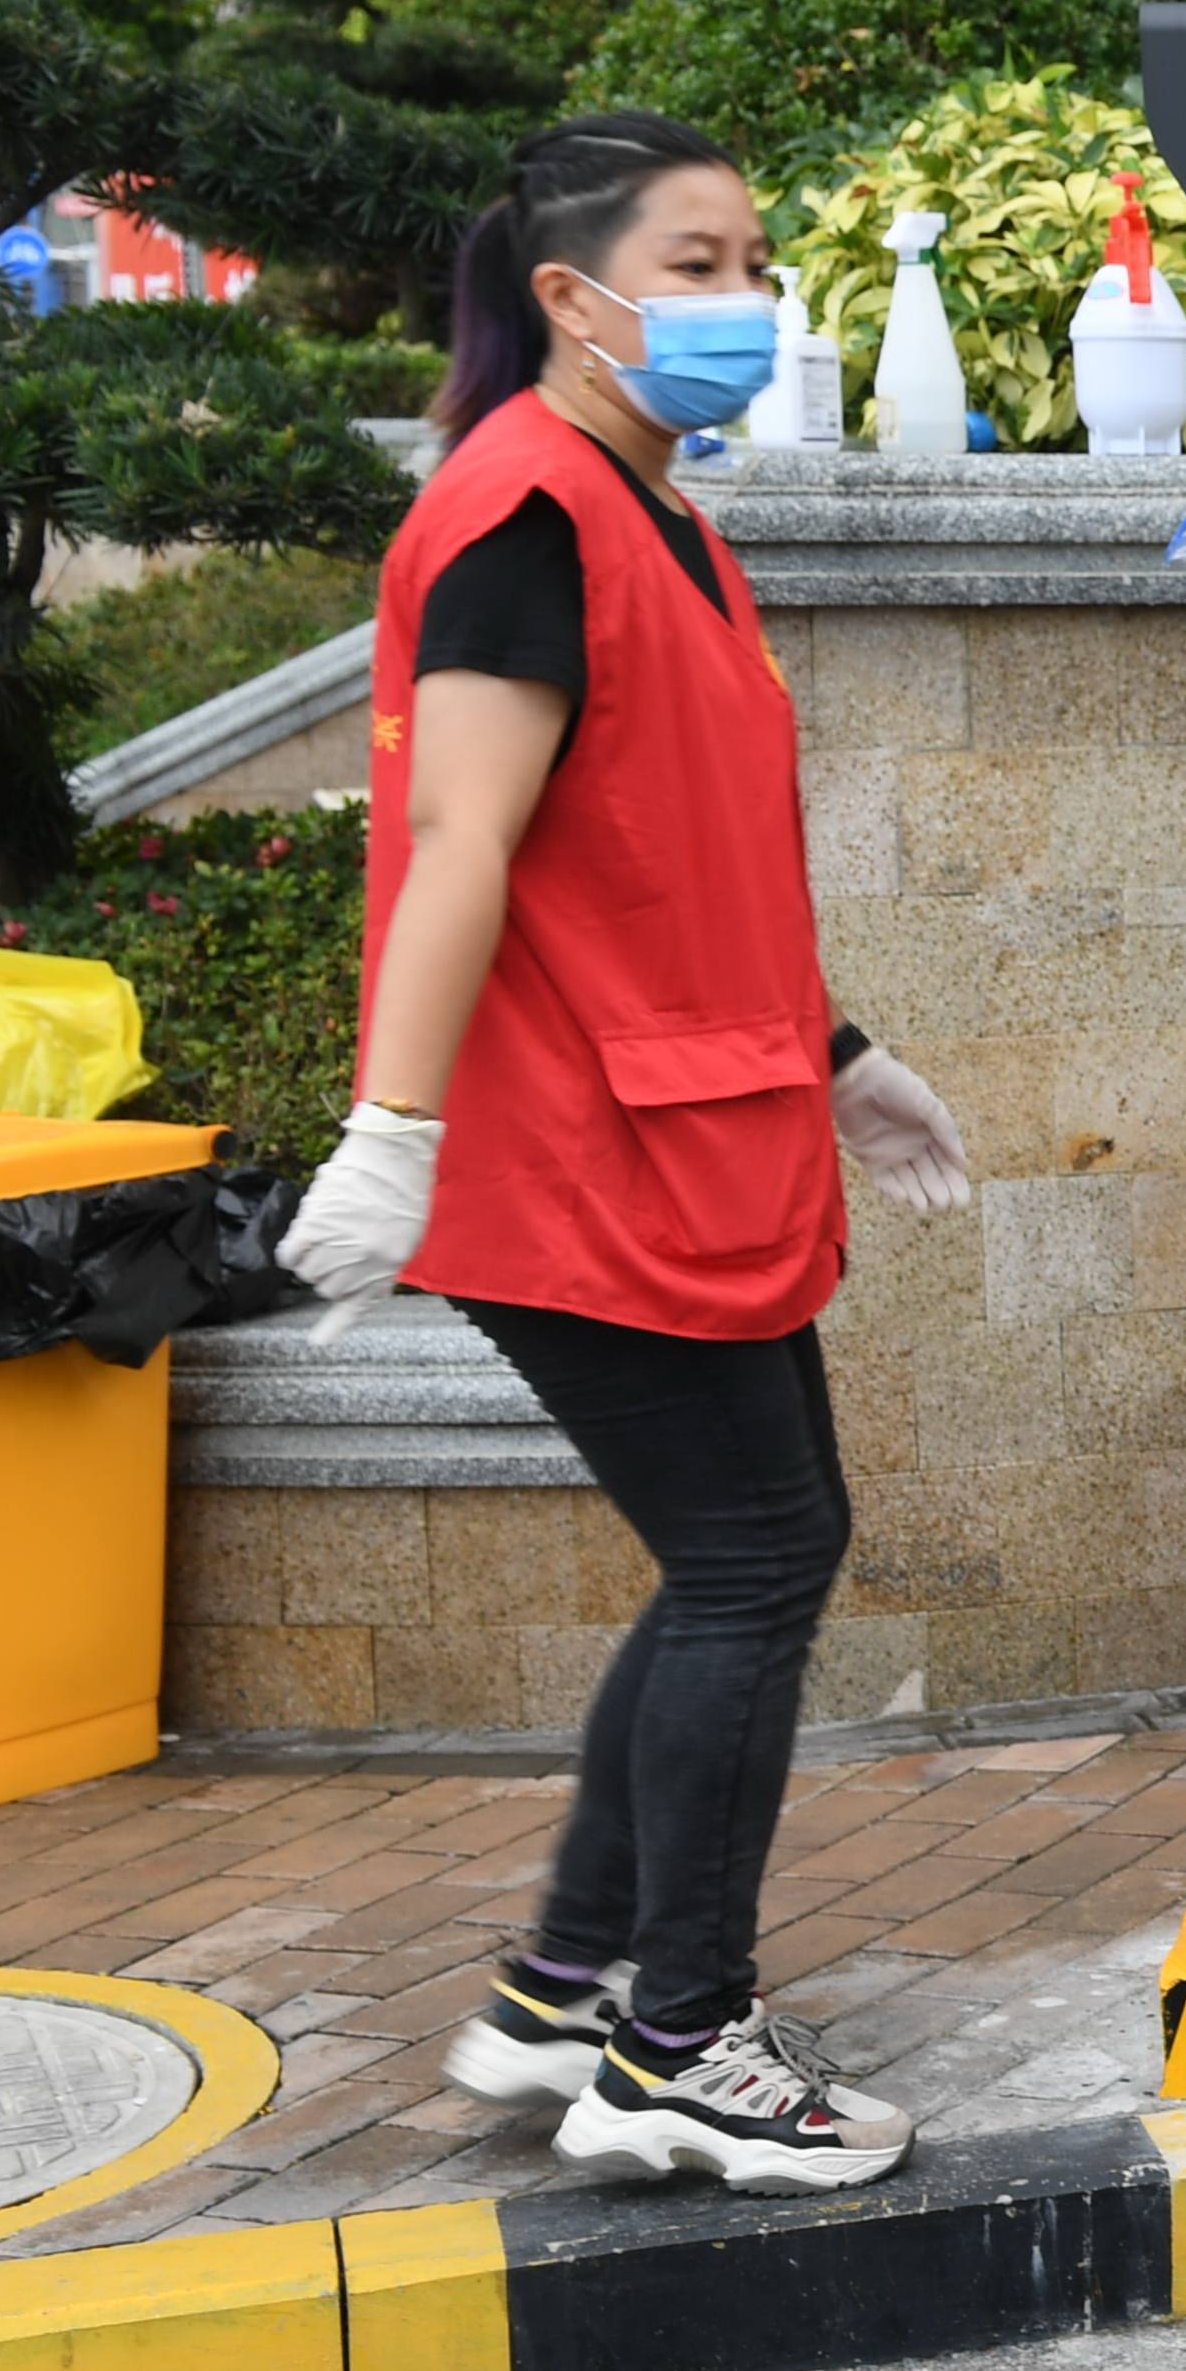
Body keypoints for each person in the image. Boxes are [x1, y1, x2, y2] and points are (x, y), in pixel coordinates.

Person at [292, 113, 975, 2193]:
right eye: (697, 262)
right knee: (760, 1555)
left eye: (752, 256)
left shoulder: (641, 502)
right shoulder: (521, 509)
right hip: (573, 1153)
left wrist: (839, 1048)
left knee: (740, 1550)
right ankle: (677, 2039)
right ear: (573, 296)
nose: (743, 296)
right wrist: (393, 1128)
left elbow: (655, 848)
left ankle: (568, 1981)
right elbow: (464, 844)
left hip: (685, 1119)